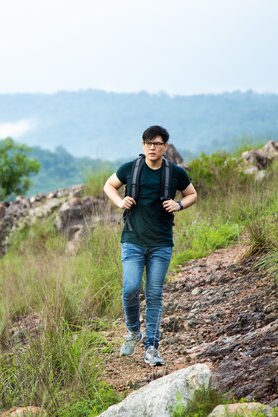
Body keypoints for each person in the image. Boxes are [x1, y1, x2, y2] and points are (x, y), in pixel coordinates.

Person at [103, 125, 197, 366]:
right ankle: (134, 331)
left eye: (156, 144)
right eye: (147, 143)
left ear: (165, 146)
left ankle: (152, 347)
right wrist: (119, 201)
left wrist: (179, 205)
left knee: (155, 294)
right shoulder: (131, 169)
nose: (152, 148)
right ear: (142, 145)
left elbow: (192, 194)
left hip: (161, 244)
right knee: (130, 289)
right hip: (133, 241)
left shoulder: (174, 173)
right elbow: (108, 186)